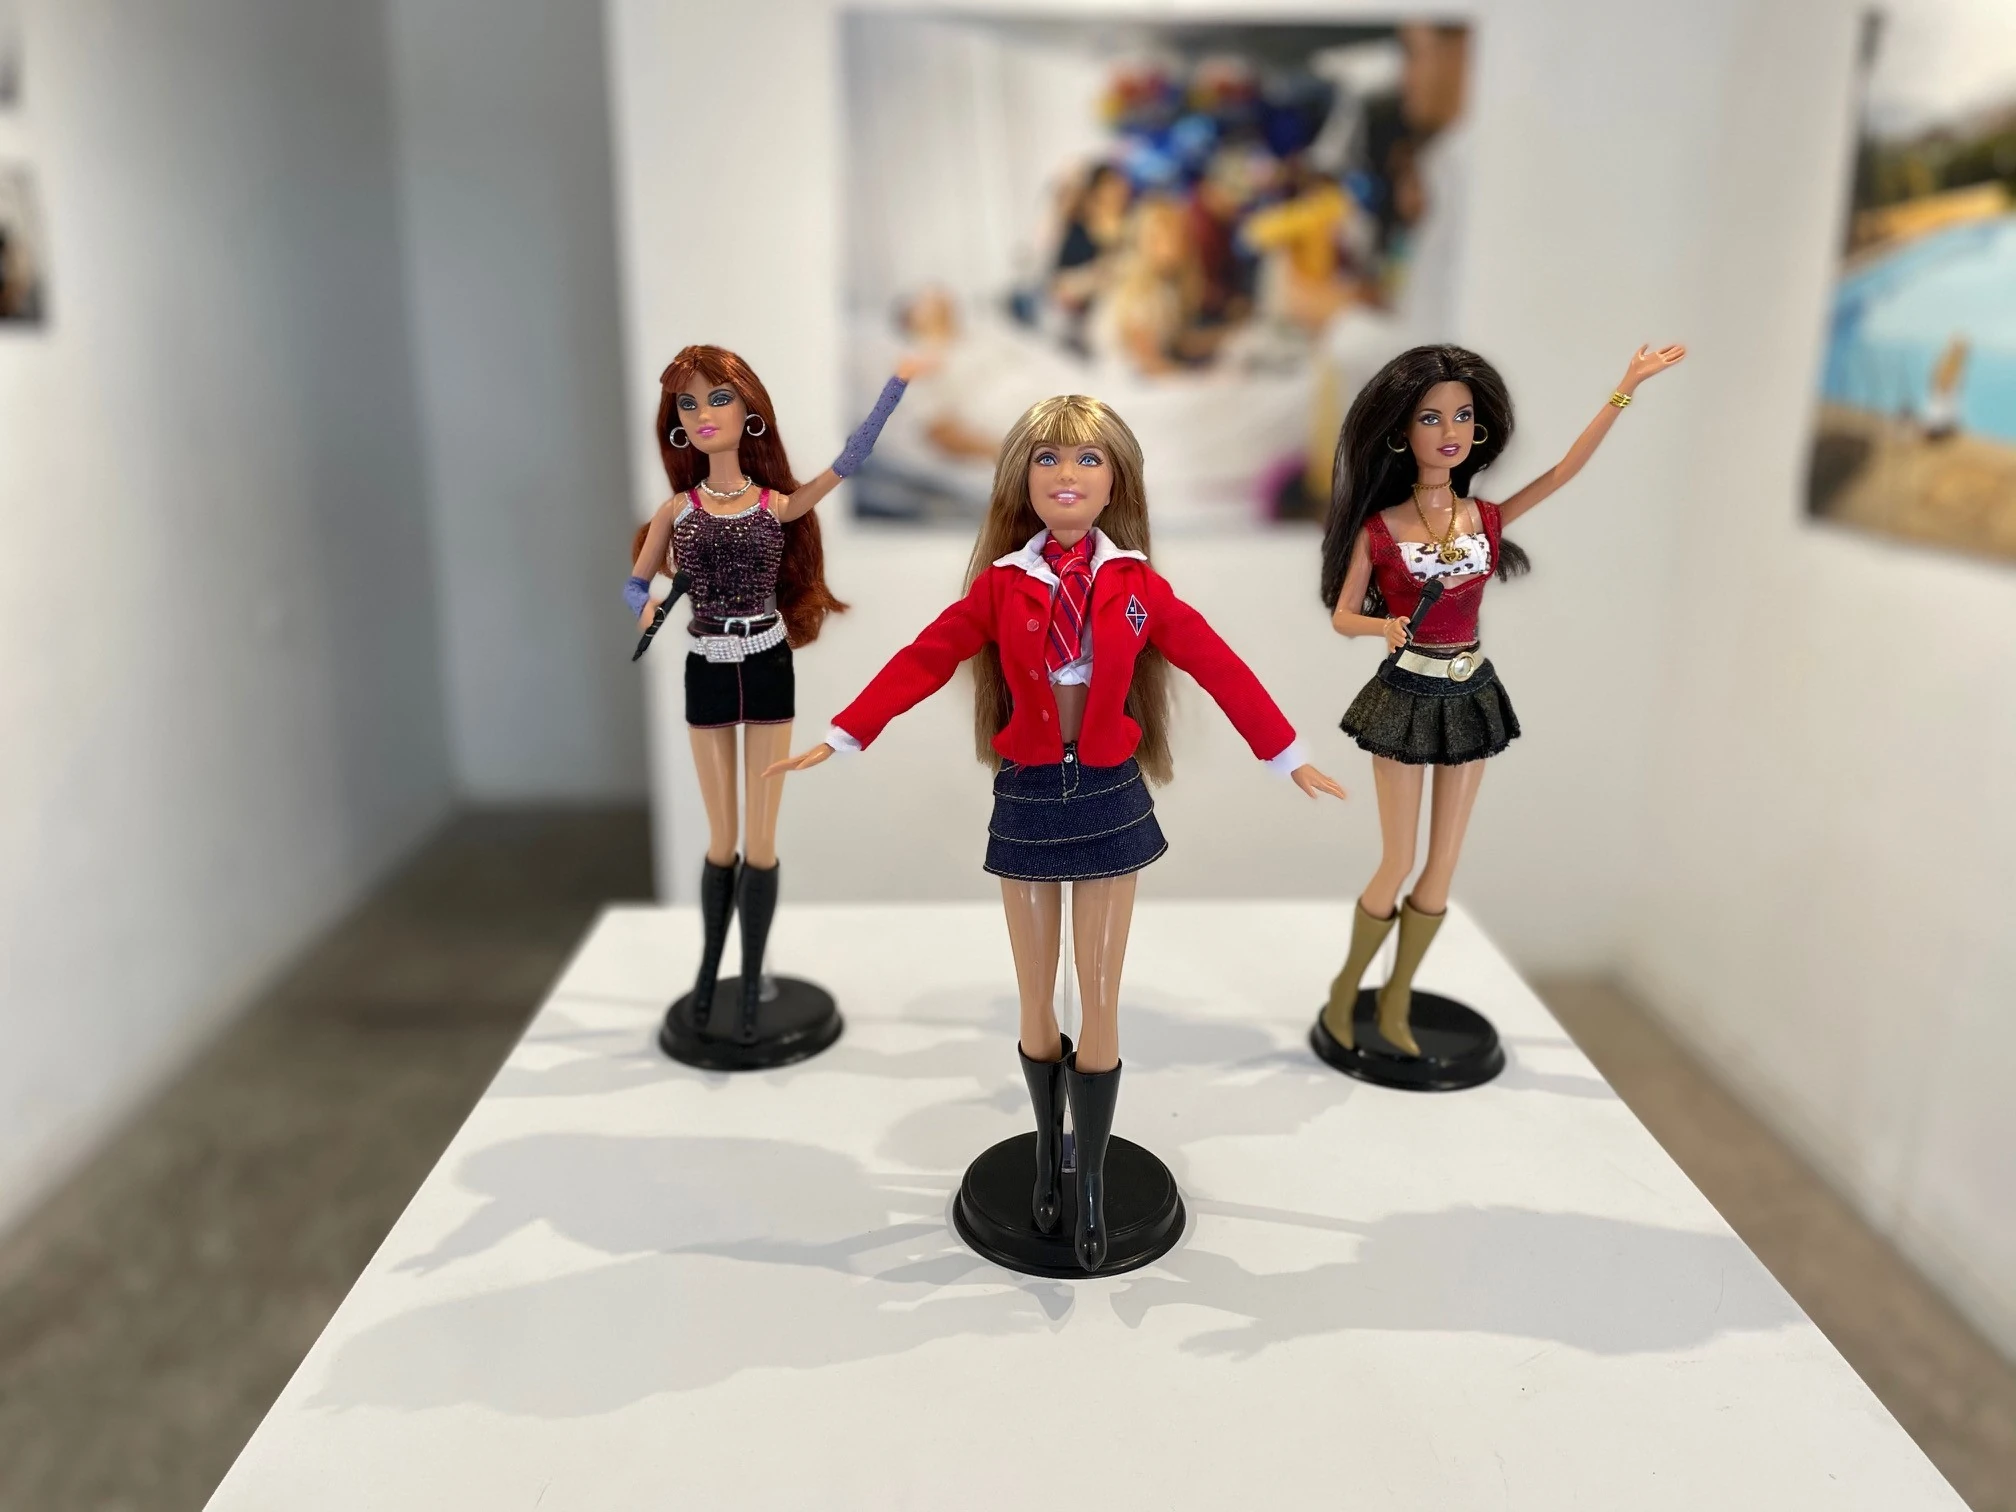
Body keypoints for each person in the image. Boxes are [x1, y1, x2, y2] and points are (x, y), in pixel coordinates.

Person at [770, 395, 1346, 1270]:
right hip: (1031, 795)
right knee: (1037, 996)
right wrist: (847, 732)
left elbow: (1217, 663)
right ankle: (1047, 1155)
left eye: (1086, 460)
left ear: (1117, 483)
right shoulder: (1002, 587)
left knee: (1100, 995)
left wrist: (1285, 752)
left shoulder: (1138, 586)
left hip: (1110, 791)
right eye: (1047, 459)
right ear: (1021, 480)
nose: (1066, 476)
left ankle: (1096, 1179)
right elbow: (925, 658)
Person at [1316, 341, 1684, 1057]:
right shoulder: (1380, 530)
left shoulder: (1484, 518)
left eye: (1462, 415)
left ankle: (1396, 1000)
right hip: (1407, 692)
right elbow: (1342, 615)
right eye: (1431, 417)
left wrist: (1625, 387)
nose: (1449, 430)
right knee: (1398, 859)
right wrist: (1381, 626)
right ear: (1401, 431)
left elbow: (1565, 471)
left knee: (1443, 863)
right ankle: (1346, 988)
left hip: (1469, 690)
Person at [624, 345, 917, 1045]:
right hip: (706, 666)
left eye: (718, 398)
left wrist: (895, 386)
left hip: (766, 663)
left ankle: (752, 978)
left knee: (761, 838)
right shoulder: (677, 511)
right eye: (688, 404)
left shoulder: (776, 506)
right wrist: (644, 605)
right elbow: (636, 582)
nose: (703, 415)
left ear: (749, 410)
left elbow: (848, 461)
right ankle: (708, 973)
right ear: (675, 423)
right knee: (720, 837)